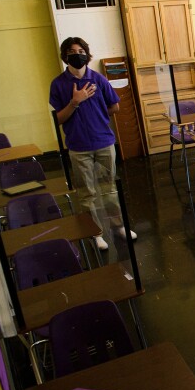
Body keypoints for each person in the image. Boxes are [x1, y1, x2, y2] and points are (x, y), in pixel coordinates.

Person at [49, 37, 136, 250]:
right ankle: (95, 232)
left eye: (81, 51)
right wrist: (75, 102)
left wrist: (97, 114)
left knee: (109, 189)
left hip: (104, 142)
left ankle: (118, 226)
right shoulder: (58, 84)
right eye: (71, 52)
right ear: (65, 56)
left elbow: (114, 106)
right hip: (78, 147)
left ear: (87, 55)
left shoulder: (99, 79)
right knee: (86, 192)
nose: (76, 55)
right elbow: (57, 119)